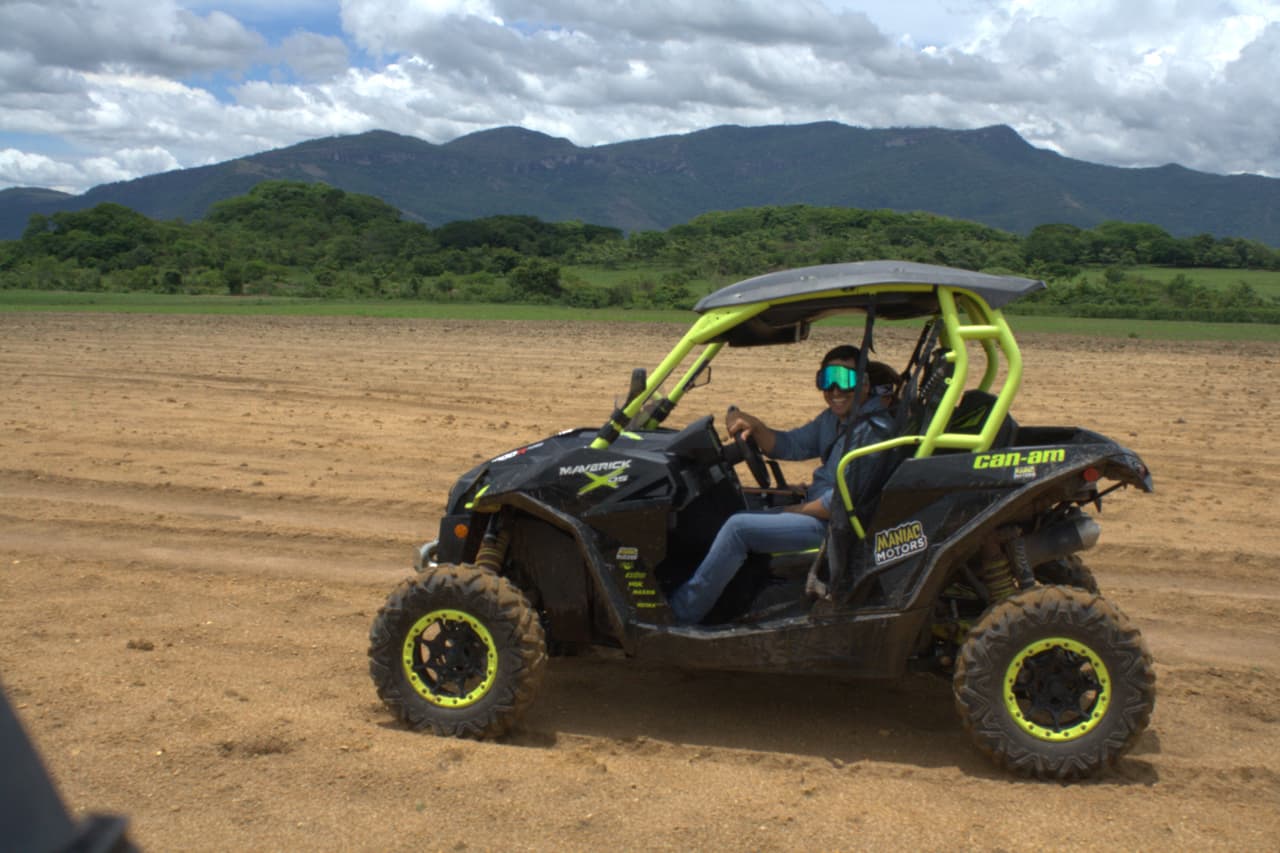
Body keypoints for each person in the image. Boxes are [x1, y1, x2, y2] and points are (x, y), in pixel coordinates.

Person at [668, 345, 897, 625]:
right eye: (827, 380)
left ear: (864, 383)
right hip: (822, 510)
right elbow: (792, 445)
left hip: (835, 529)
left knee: (737, 528)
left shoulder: (872, 431)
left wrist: (793, 509)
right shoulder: (838, 420)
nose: (835, 390)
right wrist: (754, 425)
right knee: (737, 506)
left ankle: (681, 615)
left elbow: (837, 504)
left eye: (845, 379)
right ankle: (725, 599)